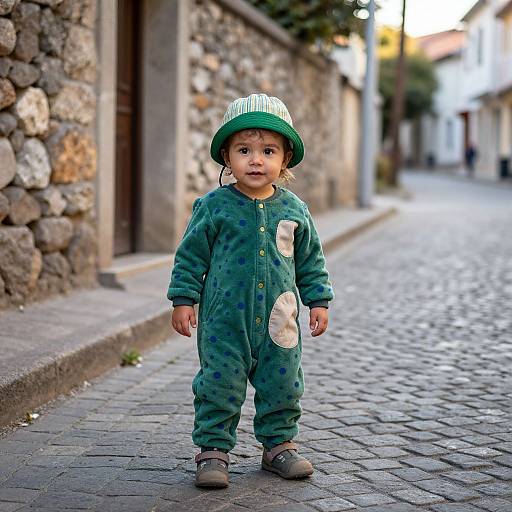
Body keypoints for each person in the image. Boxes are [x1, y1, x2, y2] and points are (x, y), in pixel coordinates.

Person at [167, 93, 334, 488]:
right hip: (225, 319)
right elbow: (190, 257)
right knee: (219, 383)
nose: (256, 160)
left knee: (284, 382)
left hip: (281, 320)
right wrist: (183, 299)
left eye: (268, 151)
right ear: (227, 156)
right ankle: (213, 451)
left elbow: (310, 260)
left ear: (285, 158)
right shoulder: (213, 207)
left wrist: (319, 300)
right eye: (244, 150)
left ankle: (279, 446)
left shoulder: (294, 210)